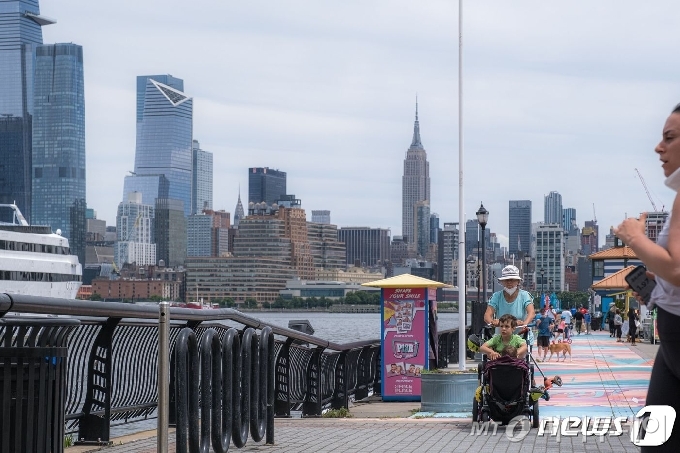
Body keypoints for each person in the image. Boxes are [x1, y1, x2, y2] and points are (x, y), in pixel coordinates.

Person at [614, 103, 680, 451]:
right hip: (671, 343)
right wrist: (658, 287)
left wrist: (635, 236)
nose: (658, 147)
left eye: (669, 138)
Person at [484, 265, 536, 330]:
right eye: (506, 280)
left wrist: (525, 323)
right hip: (501, 336)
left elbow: (531, 312)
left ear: (518, 281)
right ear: (502, 282)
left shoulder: (525, 295)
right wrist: (492, 322)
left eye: (512, 280)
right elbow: (487, 316)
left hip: (521, 335)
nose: (509, 282)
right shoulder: (496, 296)